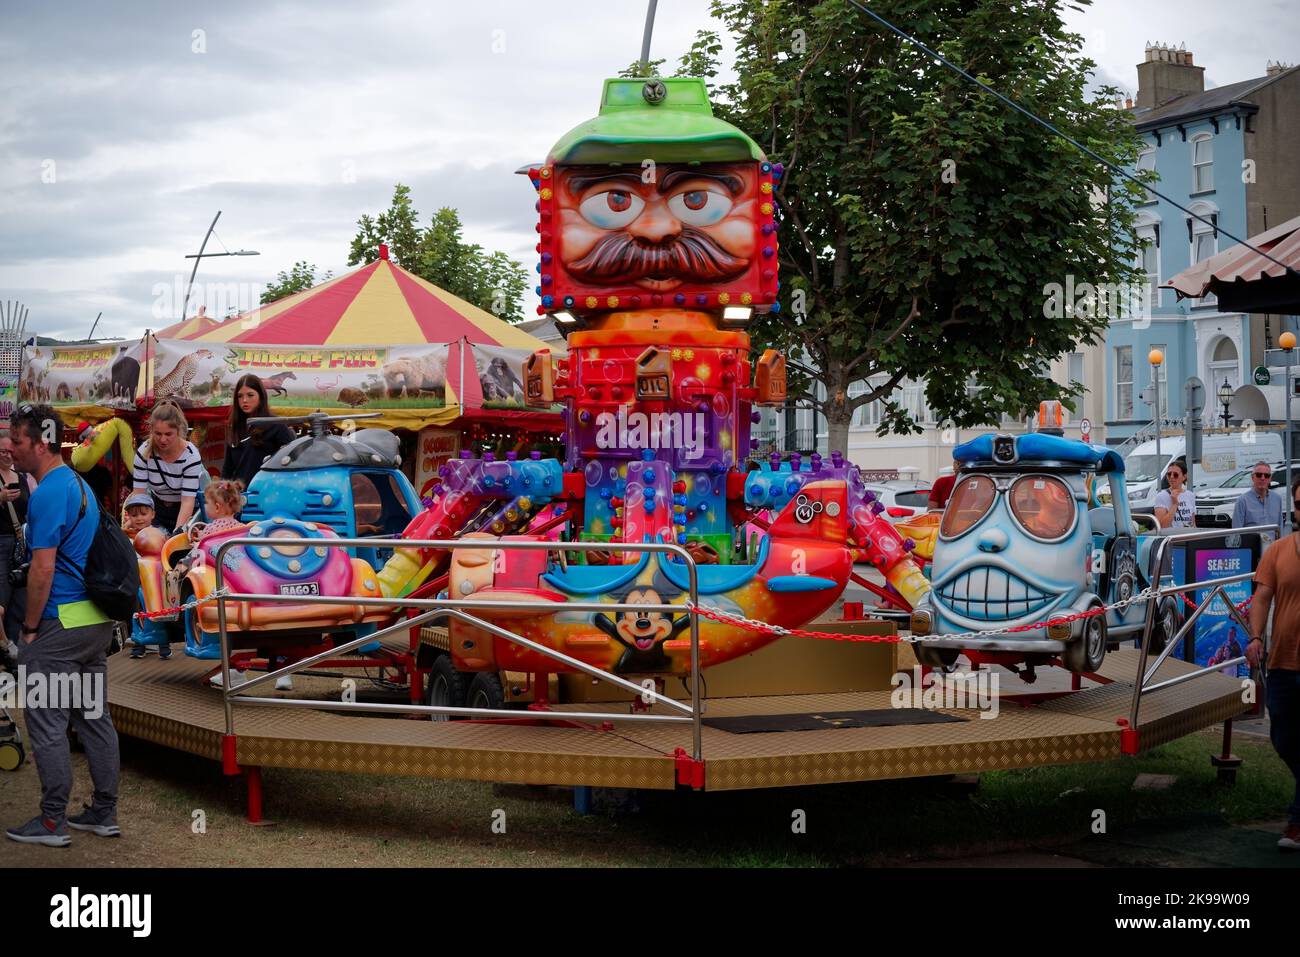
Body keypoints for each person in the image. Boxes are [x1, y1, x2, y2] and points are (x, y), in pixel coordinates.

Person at [3, 404, 120, 847]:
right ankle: (104, 812)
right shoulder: (78, 484)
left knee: (46, 721)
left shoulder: (51, 490)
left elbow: (42, 570)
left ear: (42, 442)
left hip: (58, 627)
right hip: (92, 627)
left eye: (17, 440)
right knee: (93, 717)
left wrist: (29, 629)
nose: (11, 449)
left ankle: (53, 821)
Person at [1247, 474, 1300, 851]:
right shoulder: (1279, 550)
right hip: (1283, 659)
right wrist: (1254, 637)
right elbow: (1262, 597)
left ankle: (1296, 823)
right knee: (1282, 736)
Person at [131, 401, 202, 533]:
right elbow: (139, 494)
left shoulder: (191, 456)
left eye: (168, 434)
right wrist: (138, 523)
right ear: (151, 430)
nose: (163, 440)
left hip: (186, 509)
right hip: (157, 509)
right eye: (158, 434)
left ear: (178, 431)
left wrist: (178, 532)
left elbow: (187, 500)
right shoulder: (144, 452)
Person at [222, 374, 293, 496]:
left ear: (261, 396)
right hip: (238, 500)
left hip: (268, 496)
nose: (244, 400)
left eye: (250, 395)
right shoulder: (234, 427)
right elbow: (227, 469)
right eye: (240, 396)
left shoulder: (276, 425)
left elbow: (291, 463)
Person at [0, 431, 36, 644]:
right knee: (2, 602)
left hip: (22, 544)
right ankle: (4, 647)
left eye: (10, 451)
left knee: (21, 601)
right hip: (1, 544)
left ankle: (15, 650)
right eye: (2, 451)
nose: (7, 455)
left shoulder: (23, 477)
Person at [1232, 460, 1285, 535]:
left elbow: (1280, 528)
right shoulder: (1242, 501)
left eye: (1266, 475)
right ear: (1252, 477)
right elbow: (1236, 532)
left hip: (1273, 546)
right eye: (1259, 475)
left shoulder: (1277, 499)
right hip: (1252, 546)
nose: (1263, 478)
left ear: (1270, 479)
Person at [1154, 458, 1194, 529]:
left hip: (1187, 536)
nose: (1171, 477)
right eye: (1169, 474)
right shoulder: (1162, 496)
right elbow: (1161, 526)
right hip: (1172, 538)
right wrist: (1174, 504)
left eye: (1175, 475)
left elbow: (1193, 524)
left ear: (1184, 477)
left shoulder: (1190, 495)